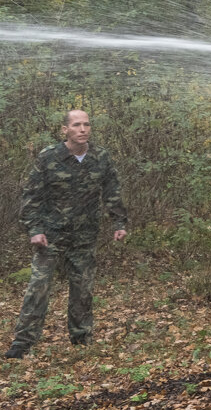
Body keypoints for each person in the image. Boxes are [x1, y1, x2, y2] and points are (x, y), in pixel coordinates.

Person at [5, 110, 127, 359]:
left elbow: (111, 189)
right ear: (65, 130)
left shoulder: (100, 156)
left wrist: (119, 222)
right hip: (51, 235)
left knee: (83, 289)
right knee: (38, 287)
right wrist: (34, 229)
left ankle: (81, 339)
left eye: (86, 124)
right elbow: (32, 195)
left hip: (84, 235)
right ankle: (22, 343)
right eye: (76, 125)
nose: (82, 129)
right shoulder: (49, 156)